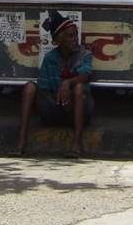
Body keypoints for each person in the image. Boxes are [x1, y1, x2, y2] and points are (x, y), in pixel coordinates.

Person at [16, 10, 92, 157]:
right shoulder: (50, 58)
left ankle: (77, 144)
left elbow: (86, 75)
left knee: (78, 88)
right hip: (55, 107)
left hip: (77, 108)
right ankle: (21, 142)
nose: (75, 39)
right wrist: (59, 95)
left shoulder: (84, 54)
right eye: (70, 36)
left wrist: (68, 83)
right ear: (59, 40)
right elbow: (43, 88)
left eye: (76, 35)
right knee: (30, 87)